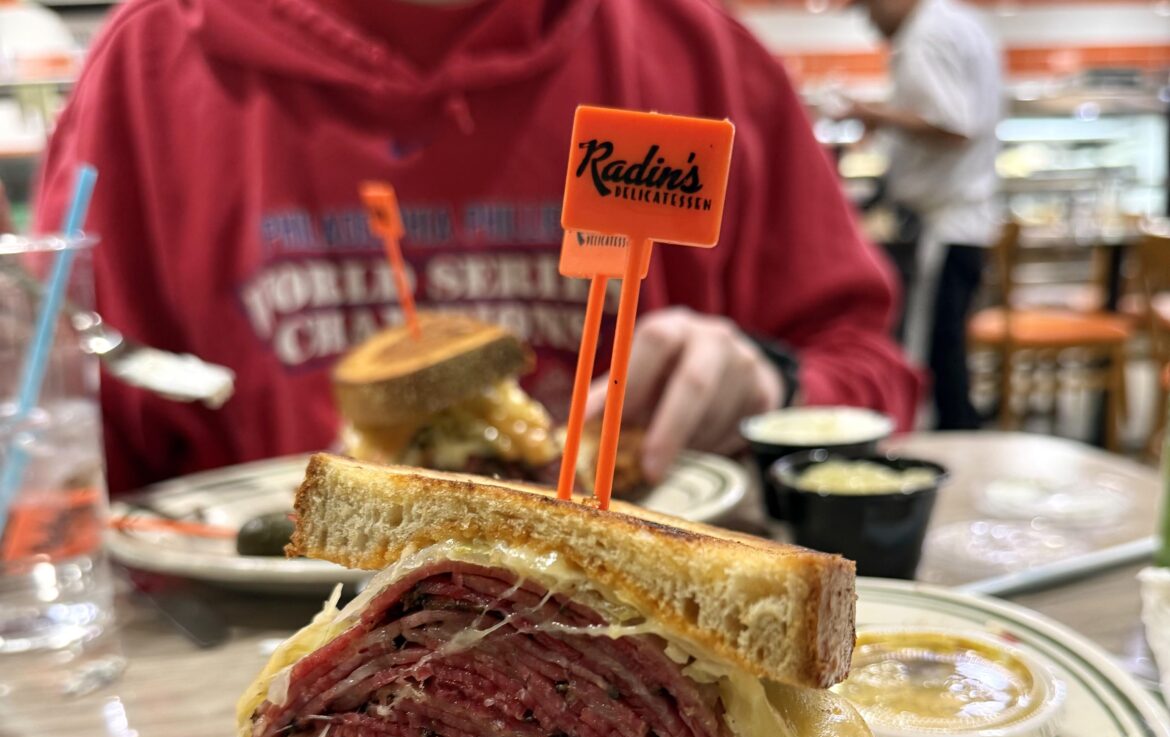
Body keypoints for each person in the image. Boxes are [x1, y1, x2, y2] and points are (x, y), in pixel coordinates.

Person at [37, 0, 920, 496]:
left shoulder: (699, 57)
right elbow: (62, 443)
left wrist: (771, 384)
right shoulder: (147, 72)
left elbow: (870, 375)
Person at [846, 0, 1002, 430]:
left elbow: (953, 124)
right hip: (959, 223)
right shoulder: (954, 23)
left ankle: (948, 461)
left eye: (869, 9)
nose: (870, 22)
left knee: (936, 359)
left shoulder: (926, 33)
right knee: (945, 354)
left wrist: (871, 113)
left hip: (946, 226)